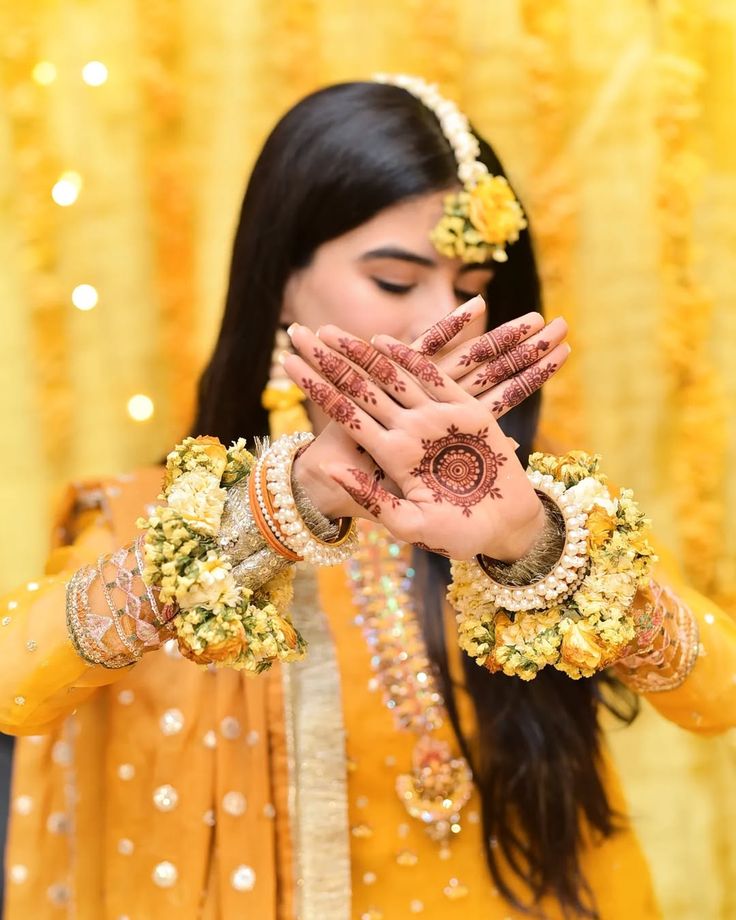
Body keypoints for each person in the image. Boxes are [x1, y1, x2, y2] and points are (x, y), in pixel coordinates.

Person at [1, 74, 734, 920]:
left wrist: (533, 547)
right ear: (282, 280)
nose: (443, 319)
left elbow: (719, 695)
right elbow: (19, 682)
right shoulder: (159, 521)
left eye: (472, 284)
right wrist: (273, 512)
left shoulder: (546, 507)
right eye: (394, 280)